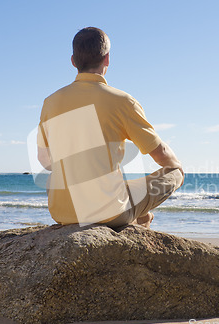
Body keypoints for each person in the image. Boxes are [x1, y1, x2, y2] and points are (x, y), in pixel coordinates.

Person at [37, 27, 183, 229]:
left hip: (63, 213)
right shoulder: (122, 101)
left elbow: (45, 161)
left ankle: (141, 216)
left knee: (118, 186)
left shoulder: (50, 102)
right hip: (108, 213)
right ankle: (139, 223)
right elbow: (161, 153)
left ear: (73, 61)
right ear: (107, 59)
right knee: (175, 172)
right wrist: (177, 167)